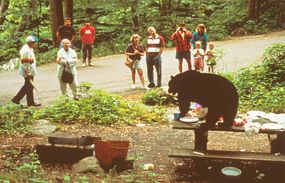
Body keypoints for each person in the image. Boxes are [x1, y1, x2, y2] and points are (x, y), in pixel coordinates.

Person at [11, 36, 41, 107]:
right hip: (27, 70)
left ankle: (30, 102)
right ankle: (16, 99)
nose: (35, 44)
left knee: (29, 86)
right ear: (30, 43)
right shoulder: (26, 51)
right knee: (28, 86)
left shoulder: (29, 48)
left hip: (30, 69)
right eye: (34, 42)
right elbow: (25, 63)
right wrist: (28, 73)